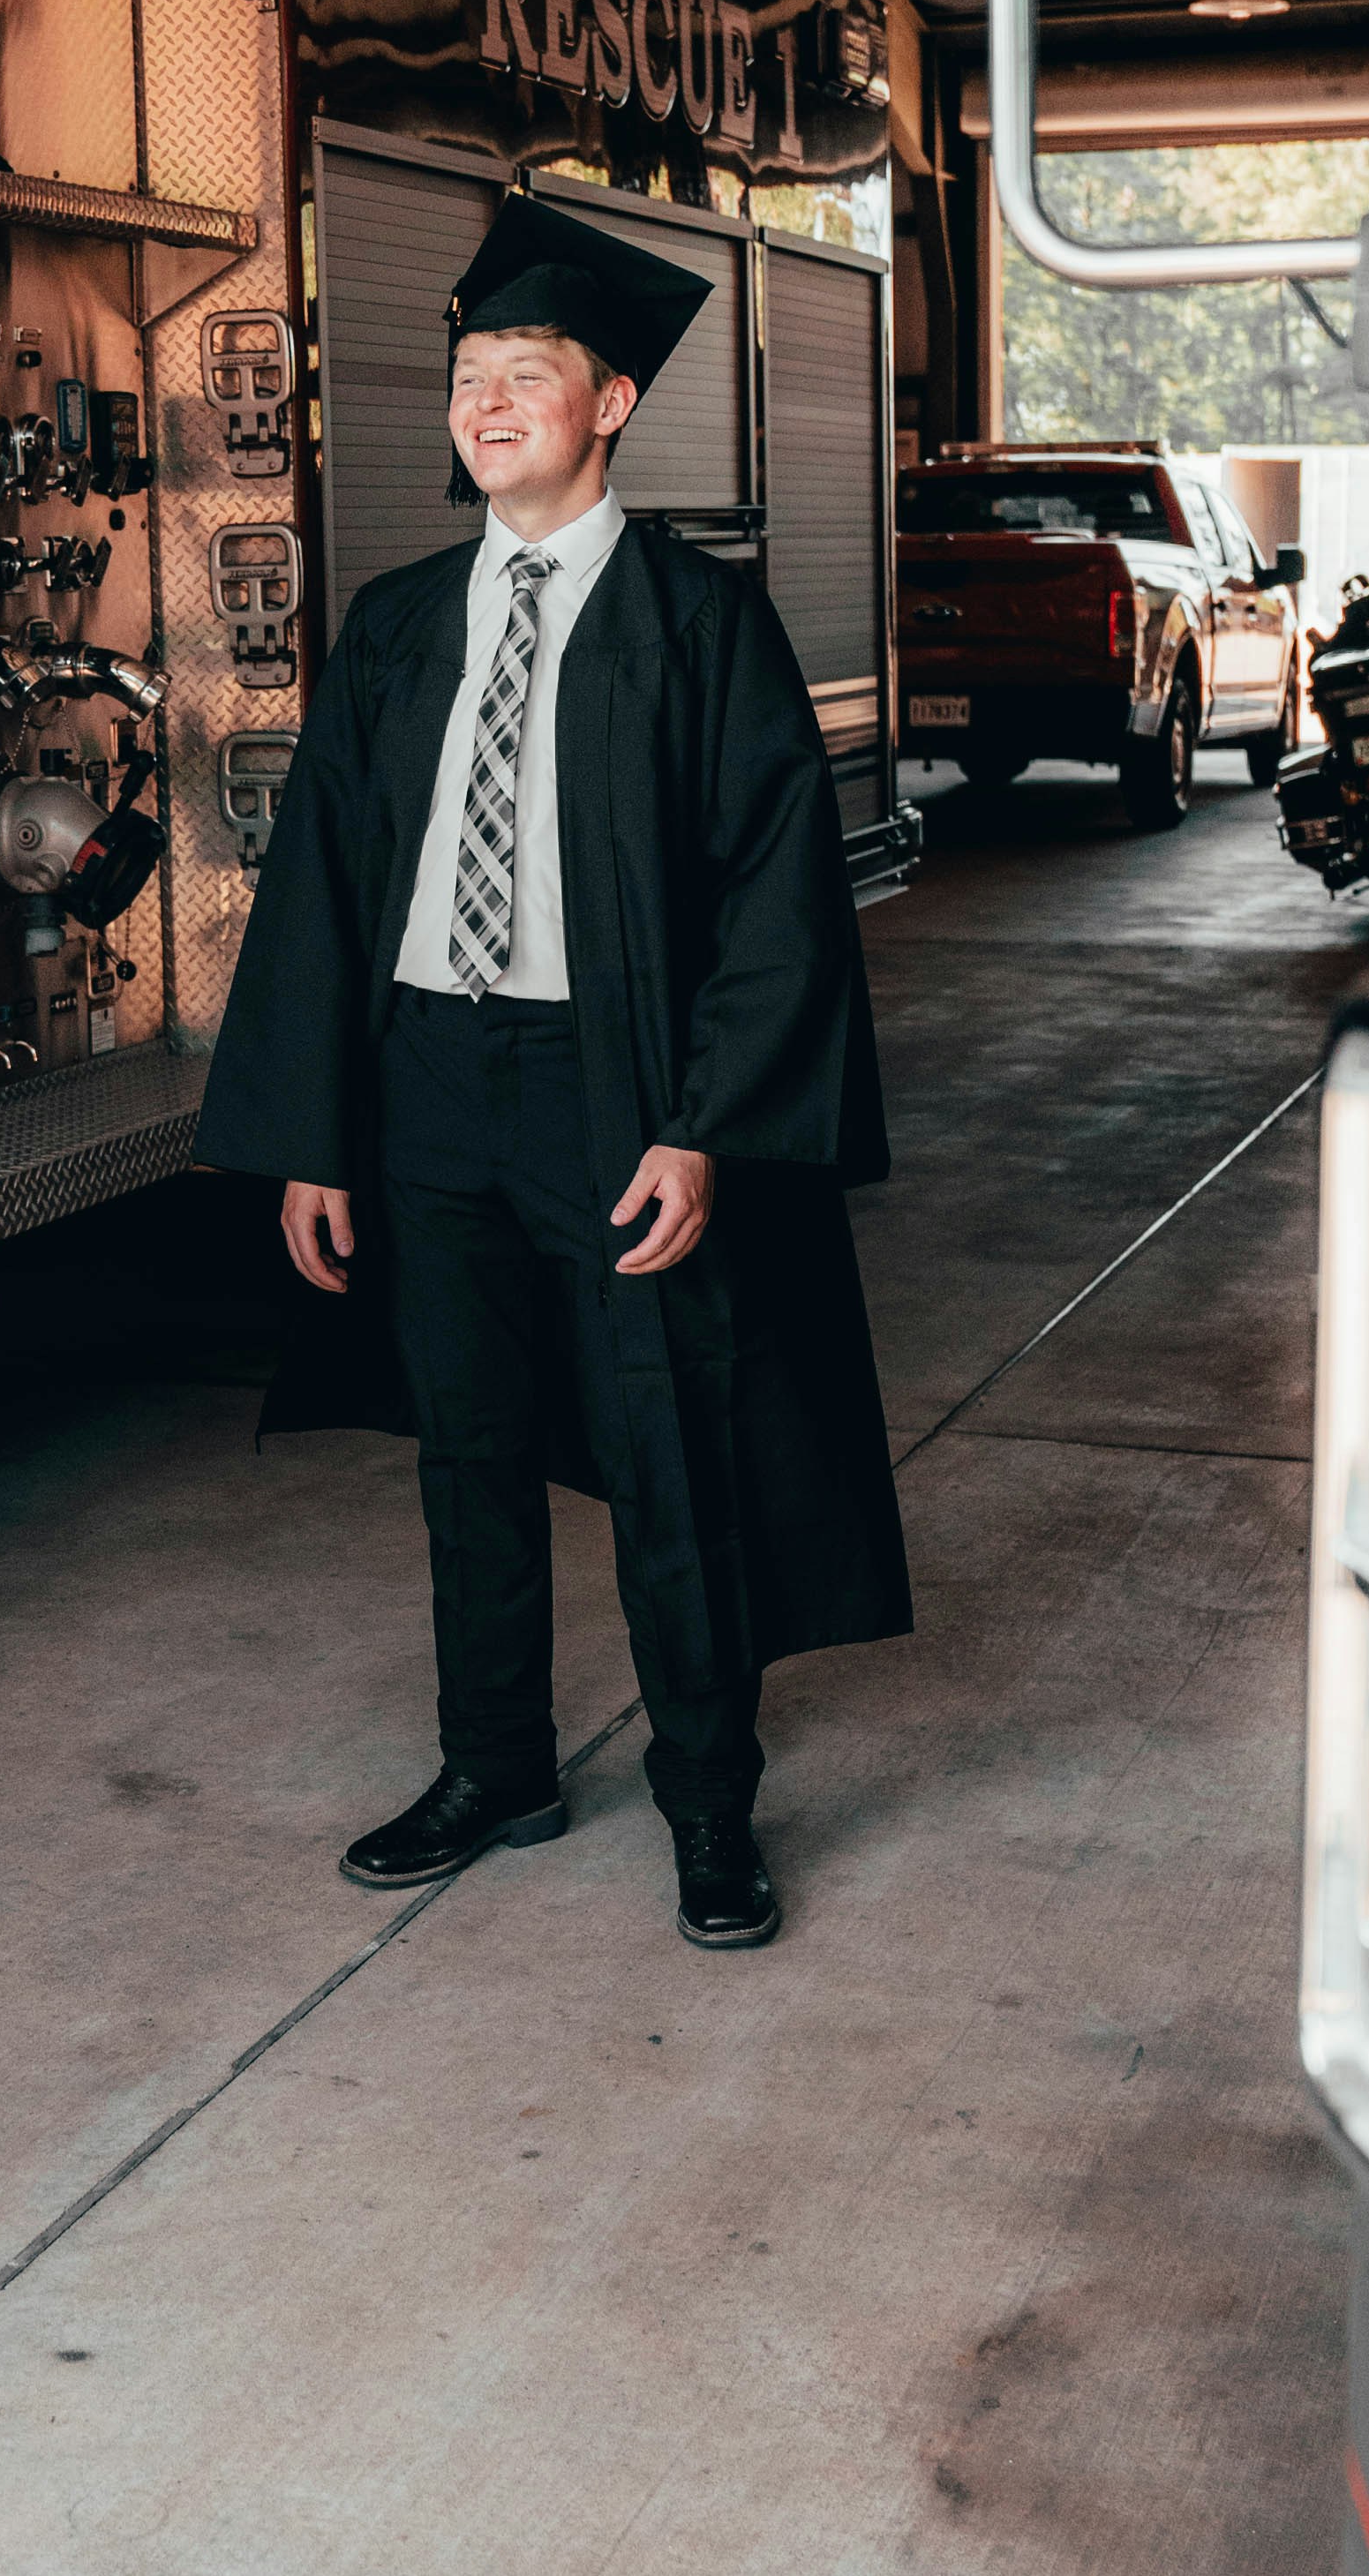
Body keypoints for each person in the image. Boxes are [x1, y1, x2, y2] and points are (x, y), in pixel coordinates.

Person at [194, 188, 910, 1950]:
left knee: (671, 1443)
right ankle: (496, 1762)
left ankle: (704, 1801)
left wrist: (707, 1125)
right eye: (468, 374)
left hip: (616, 1084)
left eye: (528, 371)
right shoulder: (397, 623)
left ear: (609, 406)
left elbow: (773, 895)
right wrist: (317, 1133)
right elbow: (330, 880)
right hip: (431, 1075)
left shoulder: (696, 626)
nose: (485, 400)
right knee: (470, 1447)